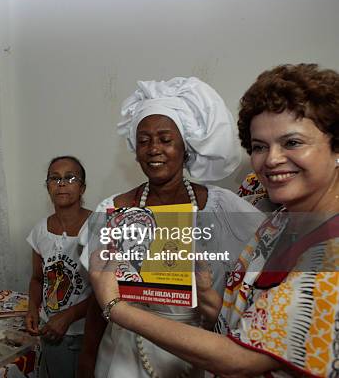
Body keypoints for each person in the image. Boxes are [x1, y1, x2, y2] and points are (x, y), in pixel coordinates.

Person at [89, 64, 338, 377]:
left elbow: (239, 359)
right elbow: (262, 317)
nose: (272, 159)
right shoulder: (277, 226)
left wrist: (116, 307)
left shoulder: (329, 253)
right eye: (260, 146)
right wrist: (216, 306)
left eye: (292, 142)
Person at [77, 77, 265, 378]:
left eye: (165, 139)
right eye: (144, 140)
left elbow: (262, 280)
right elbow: (97, 295)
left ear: (185, 146)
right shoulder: (113, 210)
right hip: (123, 353)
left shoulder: (222, 208)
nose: (154, 149)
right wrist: (87, 356)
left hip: (195, 350)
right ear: (135, 149)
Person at [25, 156, 92, 378]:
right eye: (55, 178)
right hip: (50, 331)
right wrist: (33, 308)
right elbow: (37, 278)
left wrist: (68, 316)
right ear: (48, 187)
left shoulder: (98, 228)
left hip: (85, 332)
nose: (61, 183)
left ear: (82, 187)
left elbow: (109, 292)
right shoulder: (40, 230)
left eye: (70, 178)